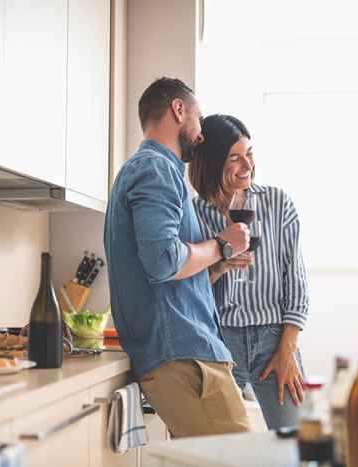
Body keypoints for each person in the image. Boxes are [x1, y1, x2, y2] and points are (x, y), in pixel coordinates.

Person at [104, 78, 253, 437]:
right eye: (199, 121)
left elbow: (167, 263)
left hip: (184, 352)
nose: (201, 134)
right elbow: (164, 261)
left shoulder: (152, 170)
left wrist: (214, 263)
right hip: (184, 355)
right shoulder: (157, 169)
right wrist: (223, 244)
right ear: (179, 110)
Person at [188, 114, 310, 430]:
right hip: (220, 341)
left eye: (250, 154)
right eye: (235, 158)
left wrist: (288, 349)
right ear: (213, 162)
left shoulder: (278, 203)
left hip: (274, 340)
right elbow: (190, 286)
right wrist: (220, 264)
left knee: (294, 442)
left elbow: (295, 280)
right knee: (217, 447)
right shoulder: (195, 213)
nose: (248, 165)